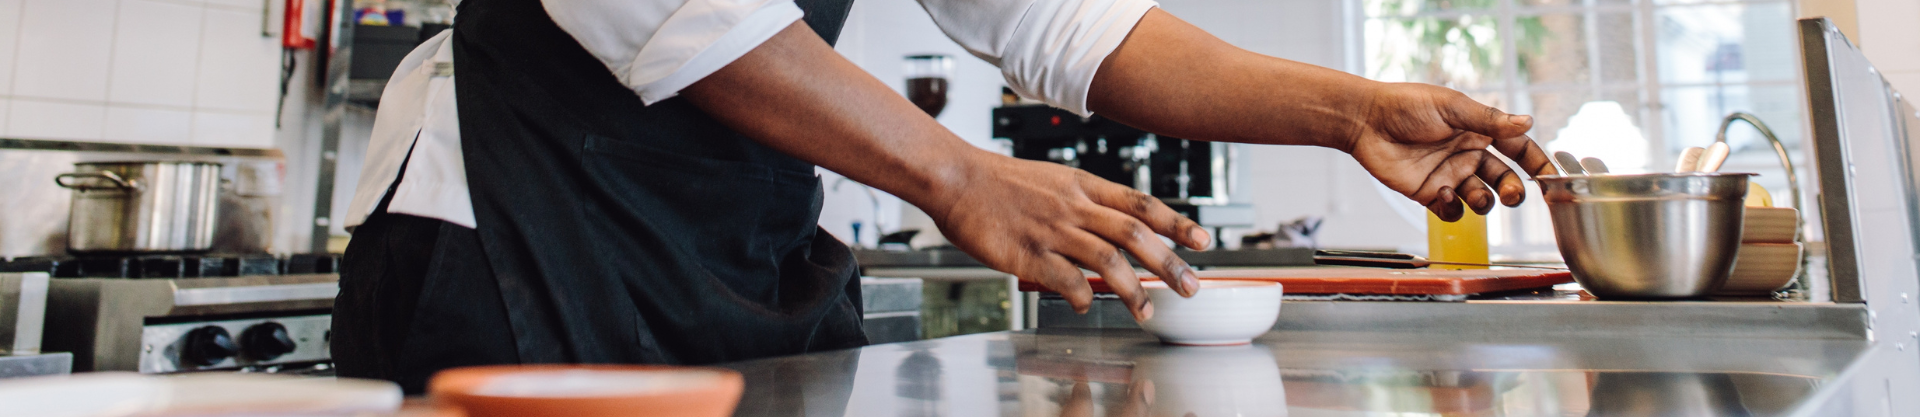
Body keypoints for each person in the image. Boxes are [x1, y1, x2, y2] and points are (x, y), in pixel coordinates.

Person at [334, 0, 1556, 393]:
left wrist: (1347, 112)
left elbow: (1061, 20)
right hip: (506, 232)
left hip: (722, 243)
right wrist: (957, 174)